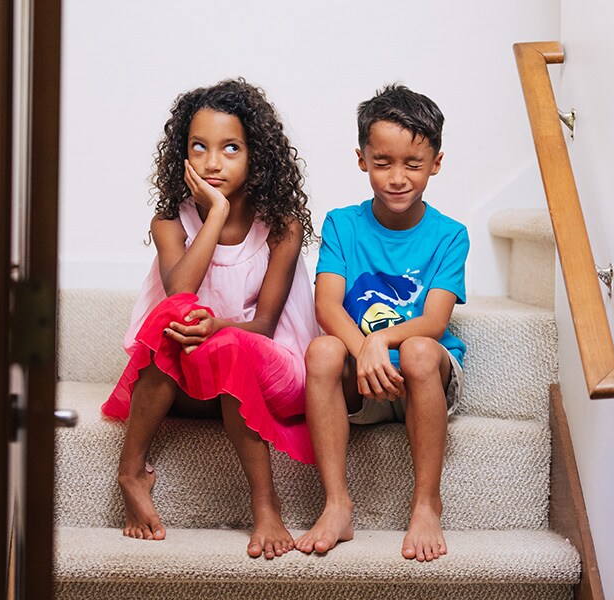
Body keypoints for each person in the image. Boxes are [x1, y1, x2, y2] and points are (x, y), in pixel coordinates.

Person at [101, 78, 320, 560]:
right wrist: (216, 212)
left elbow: (263, 326)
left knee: (225, 345)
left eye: (230, 148)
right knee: (174, 315)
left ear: (256, 155)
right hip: (190, 383)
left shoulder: (281, 225)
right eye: (198, 147)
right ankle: (130, 472)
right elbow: (180, 291)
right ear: (182, 153)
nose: (212, 162)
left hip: (268, 373)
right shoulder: (169, 222)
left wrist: (218, 328)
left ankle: (265, 504)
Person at [294, 84, 469, 562]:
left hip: (422, 378)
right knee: (322, 349)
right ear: (361, 159)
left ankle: (427, 502)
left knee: (414, 351)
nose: (397, 178)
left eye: (412, 164)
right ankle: (336, 504)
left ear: (435, 162)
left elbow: (433, 322)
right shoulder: (342, 224)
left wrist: (380, 340)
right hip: (363, 383)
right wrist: (364, 348)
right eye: (382, 162)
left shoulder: (450, 235)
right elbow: (327, 307)